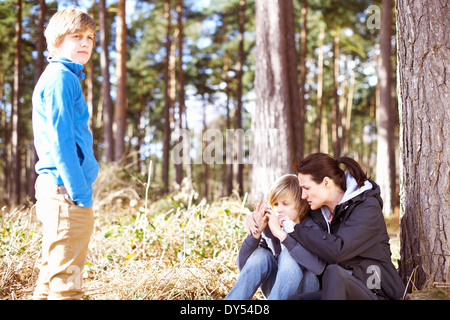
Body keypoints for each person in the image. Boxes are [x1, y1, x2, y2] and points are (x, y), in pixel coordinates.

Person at [32, 8, 99, 300]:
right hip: (65, 191)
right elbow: (62, 142)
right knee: (66, 283)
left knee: (51, 273)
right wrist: (79, 191)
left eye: (90, 37)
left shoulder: (62, 76)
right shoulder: (61, 78)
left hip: (58, 187)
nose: (85, 43)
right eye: (76, 36)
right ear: (57, 41)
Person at [288, 153, 405, 300]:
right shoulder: (318, 213)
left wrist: (293, 228)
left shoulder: (366, 208)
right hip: (339, 291)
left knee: (334, 273)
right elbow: (292, 217)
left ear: (326, 182)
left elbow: (338, 250)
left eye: (307, 188)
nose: (303, 195)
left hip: (376, 290)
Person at [225, 174, 325, 300]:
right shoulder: (270, 227)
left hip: (306, 291)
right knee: (261, 254)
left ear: (300, 206)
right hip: (279, 290)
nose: (279, 209)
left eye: (285, 203)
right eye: (276, 204)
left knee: (289, 255)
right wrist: (256, 233)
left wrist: (283, 236)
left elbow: (318, 267)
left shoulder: (310, 227)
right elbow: (243, 266)